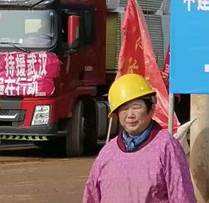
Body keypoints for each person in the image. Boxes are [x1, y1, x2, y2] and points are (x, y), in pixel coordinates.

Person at [83, 74, 196, 203]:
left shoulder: (166, 146)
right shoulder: (107, 152)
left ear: (151, 109)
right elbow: (91, 196)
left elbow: (182, 195)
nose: (130, 115)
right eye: (124, 108)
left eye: (136, 107)